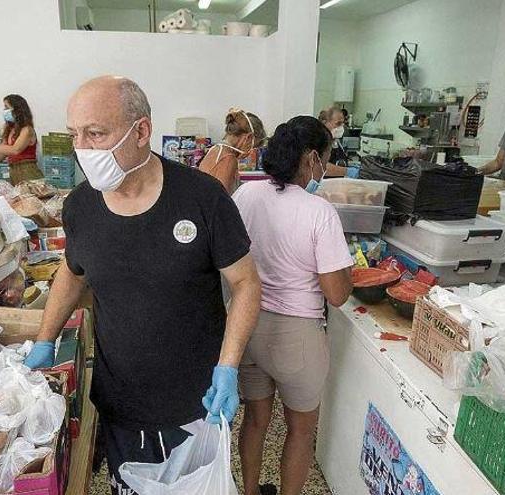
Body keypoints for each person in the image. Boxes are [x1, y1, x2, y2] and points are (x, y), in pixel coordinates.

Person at [22, 75, 262, 495]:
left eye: (96, 133)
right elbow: (72, 272)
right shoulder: (80, 206)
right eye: (75, 135)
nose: (83, 149)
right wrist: (45, 338)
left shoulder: (202, 198)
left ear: (142, 131)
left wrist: (228, 366)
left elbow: (246, 283)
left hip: (196, 400)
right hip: (122, 402)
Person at [232, 115, 353, 495]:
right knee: (300, 432)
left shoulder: (245, 195)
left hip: (248, 325)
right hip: (297, 337)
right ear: (312, 158)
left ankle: (249, 491)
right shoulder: (319, 211)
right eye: (326, 159)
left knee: (254, 420)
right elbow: (336, 294)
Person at [198, 108, 267, 193]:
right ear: (248, 137)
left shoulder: (215, 149)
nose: (250, 152)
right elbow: (221, 201)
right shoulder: (228, 158)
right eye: (252, 147)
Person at [318, 105, 359, 178]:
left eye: (343, 123)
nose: (341, 127)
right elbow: (319, 167)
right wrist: (347, 171)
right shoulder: (318, 141)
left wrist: (351, 165)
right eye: (338, 123)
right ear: (325, 123)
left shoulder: (336, 142)